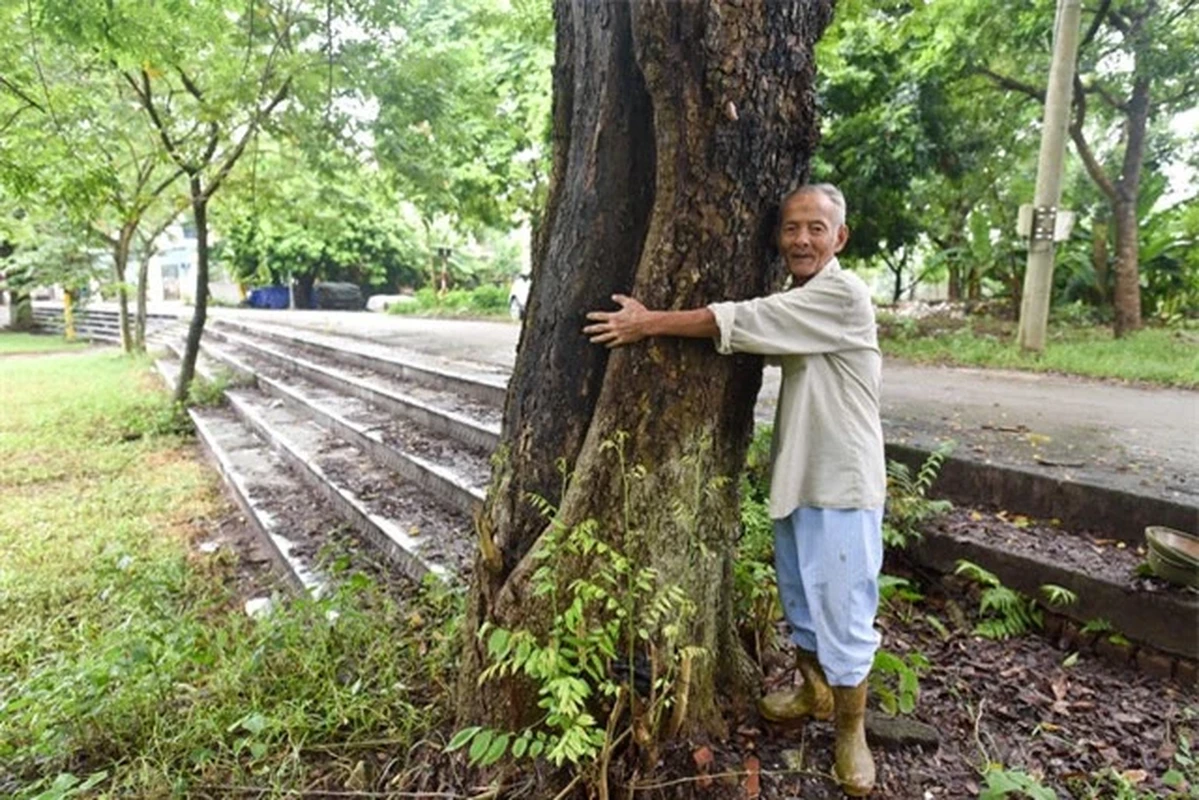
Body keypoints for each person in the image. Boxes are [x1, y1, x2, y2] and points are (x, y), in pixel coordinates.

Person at [583, 183, 884, 797]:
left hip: (843, 483)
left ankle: (852, 733)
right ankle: (812, 691)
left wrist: (648, 323)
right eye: (792, 228)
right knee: (801, 596)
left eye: (816, 229)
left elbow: (744, 320)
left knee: (845, 612)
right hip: (800, 474)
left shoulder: (842, 298)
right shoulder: (806, 297)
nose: (801, 239)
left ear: (840, 238)